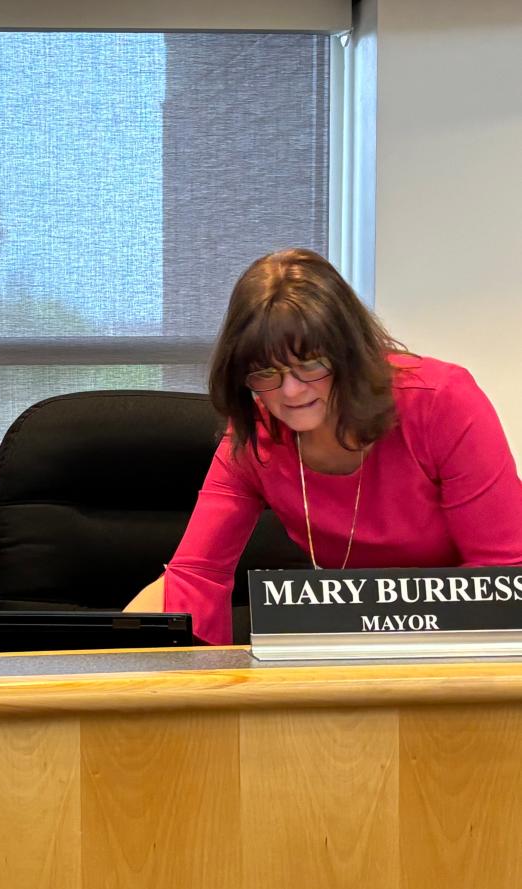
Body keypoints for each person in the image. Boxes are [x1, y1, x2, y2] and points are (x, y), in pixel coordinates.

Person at [126, 248, 522, 644]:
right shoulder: (256, 432)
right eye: (265, 372)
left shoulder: (441, 401)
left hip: (458, 643)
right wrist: (100, 656)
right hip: (345, 645)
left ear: (350, 353)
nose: (291, 391)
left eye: (311, 364)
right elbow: (197, 574)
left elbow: (503, 573)